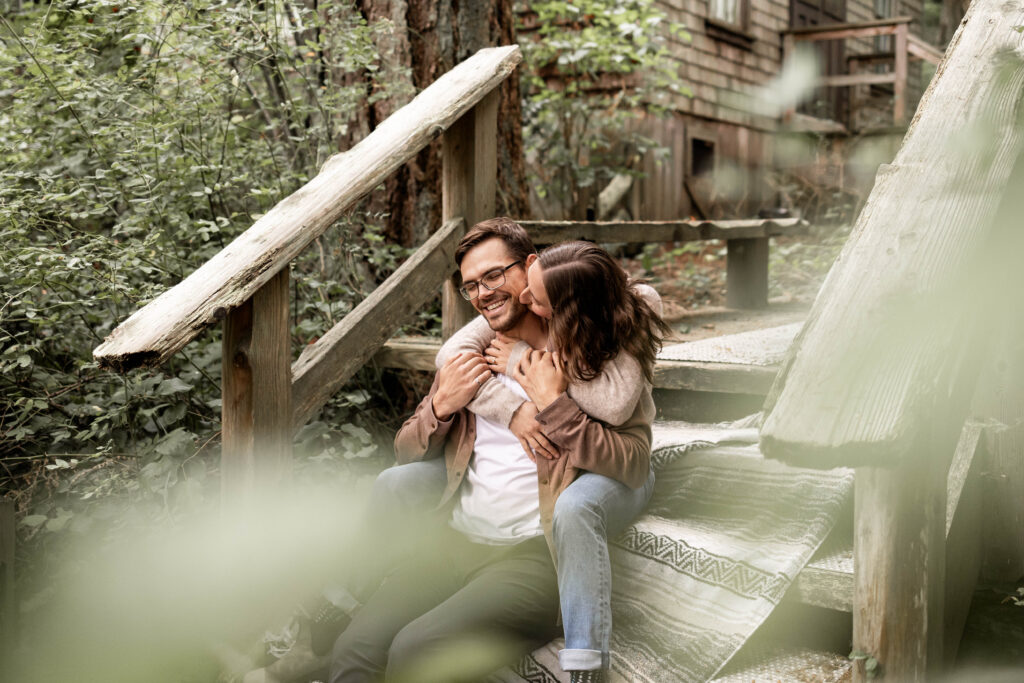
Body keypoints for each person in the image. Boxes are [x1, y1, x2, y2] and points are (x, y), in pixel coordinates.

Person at [327, 219, 661, 683]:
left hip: (528, 561)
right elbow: (405, 448)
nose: (484, 293)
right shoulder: (473, 354)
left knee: (414, 652)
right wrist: (442, 408)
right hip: (456, 543)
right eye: (471, 286)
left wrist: (548, 399)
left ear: (530, 269)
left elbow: (628, 453)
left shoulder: (588, 351)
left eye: (494, 276)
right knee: (354, 651)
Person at [438, 237, 668, 682]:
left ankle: (586, 665)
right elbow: (448, 355)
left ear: (566, 310)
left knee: (576, 507)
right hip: (576, 459)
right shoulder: (525, 309)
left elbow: (617, 405)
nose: (523, 299)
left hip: (622, 461)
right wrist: (516, 409)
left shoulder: (638, 306)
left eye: (536, 299)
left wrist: (530, 366)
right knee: (571, 503)